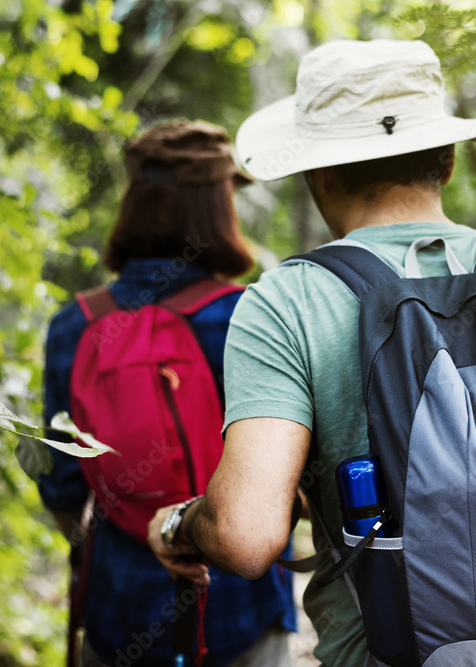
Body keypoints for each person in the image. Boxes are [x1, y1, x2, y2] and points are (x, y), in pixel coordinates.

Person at [147, 40, 476, 666]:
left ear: (317, 171)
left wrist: (179, 527)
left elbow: (244, 535)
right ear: (448, 159)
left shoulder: (286, 302)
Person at [38, 120, 297, 667]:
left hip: (117, 611)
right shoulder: (247, 315)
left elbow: (61, 483)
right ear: (217, 206)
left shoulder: (74, 325)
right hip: (238, 607)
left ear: (134, 202)